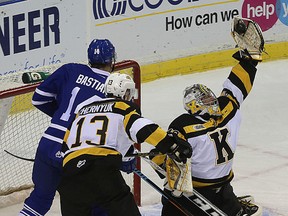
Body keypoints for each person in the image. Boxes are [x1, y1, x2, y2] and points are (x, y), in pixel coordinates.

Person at [152, 18, 264, 216]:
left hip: (202, 193)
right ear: (195, 105)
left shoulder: (184, 124)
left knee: (170, 199)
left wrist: (157, 158)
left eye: (209, 96)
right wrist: (249, 61)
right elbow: (236, 86)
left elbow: (167, 158)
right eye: (205, 98)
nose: (212, 100)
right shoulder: (228, 109)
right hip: (213, 192)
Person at [57, 72, 192, 216]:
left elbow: (65, 147)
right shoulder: (122, 107)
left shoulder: (81, 111)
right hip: (101, 170)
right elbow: (143, 128)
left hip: (69, 174)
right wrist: (172, 145)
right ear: (126, 92)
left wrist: (124, 158)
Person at [19, 39, 116, 216]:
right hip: (76, 151)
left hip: (48, 144)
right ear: (112, 60)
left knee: (38, 201)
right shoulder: (114, 85)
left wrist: (61, 116)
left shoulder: (70, 69)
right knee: (96, 204)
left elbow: (38, 98)